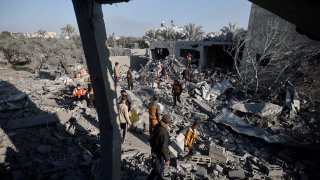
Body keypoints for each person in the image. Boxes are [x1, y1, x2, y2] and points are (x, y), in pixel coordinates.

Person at [148, 114, 172, 180]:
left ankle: (159, 178)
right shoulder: (164, 132)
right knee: (157, 169)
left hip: (155, 150)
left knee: (161, 168)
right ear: (168, 123)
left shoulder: (158, 125)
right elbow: (164, 147)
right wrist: (167, 159)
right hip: (158, 152)